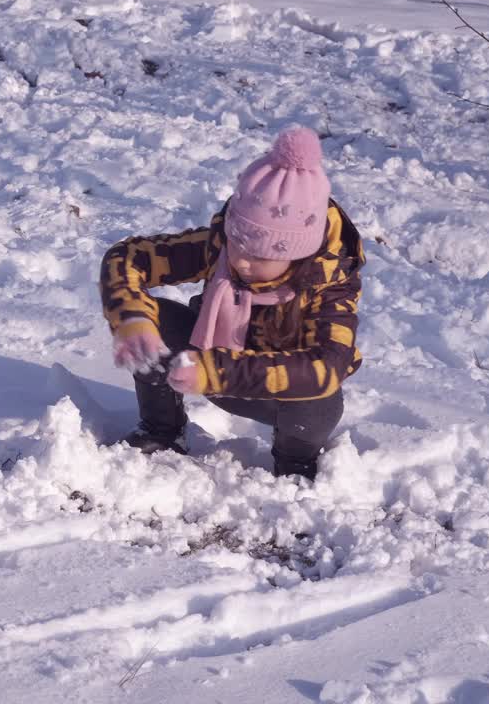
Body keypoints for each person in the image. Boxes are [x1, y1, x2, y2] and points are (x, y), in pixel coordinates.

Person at [100, 125, 364, 479]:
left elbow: (326, 367)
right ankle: (161, 429)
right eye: (236, 242)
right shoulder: (221, 246)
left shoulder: (330, 287)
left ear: (298, 253)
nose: (240, 260)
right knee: (156, 320)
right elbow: (128, 257)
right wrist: (132, 318)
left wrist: (216, 372)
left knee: (318, 401)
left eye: (259, 255)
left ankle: (294, 463)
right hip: (200, 361)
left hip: (279, 395)